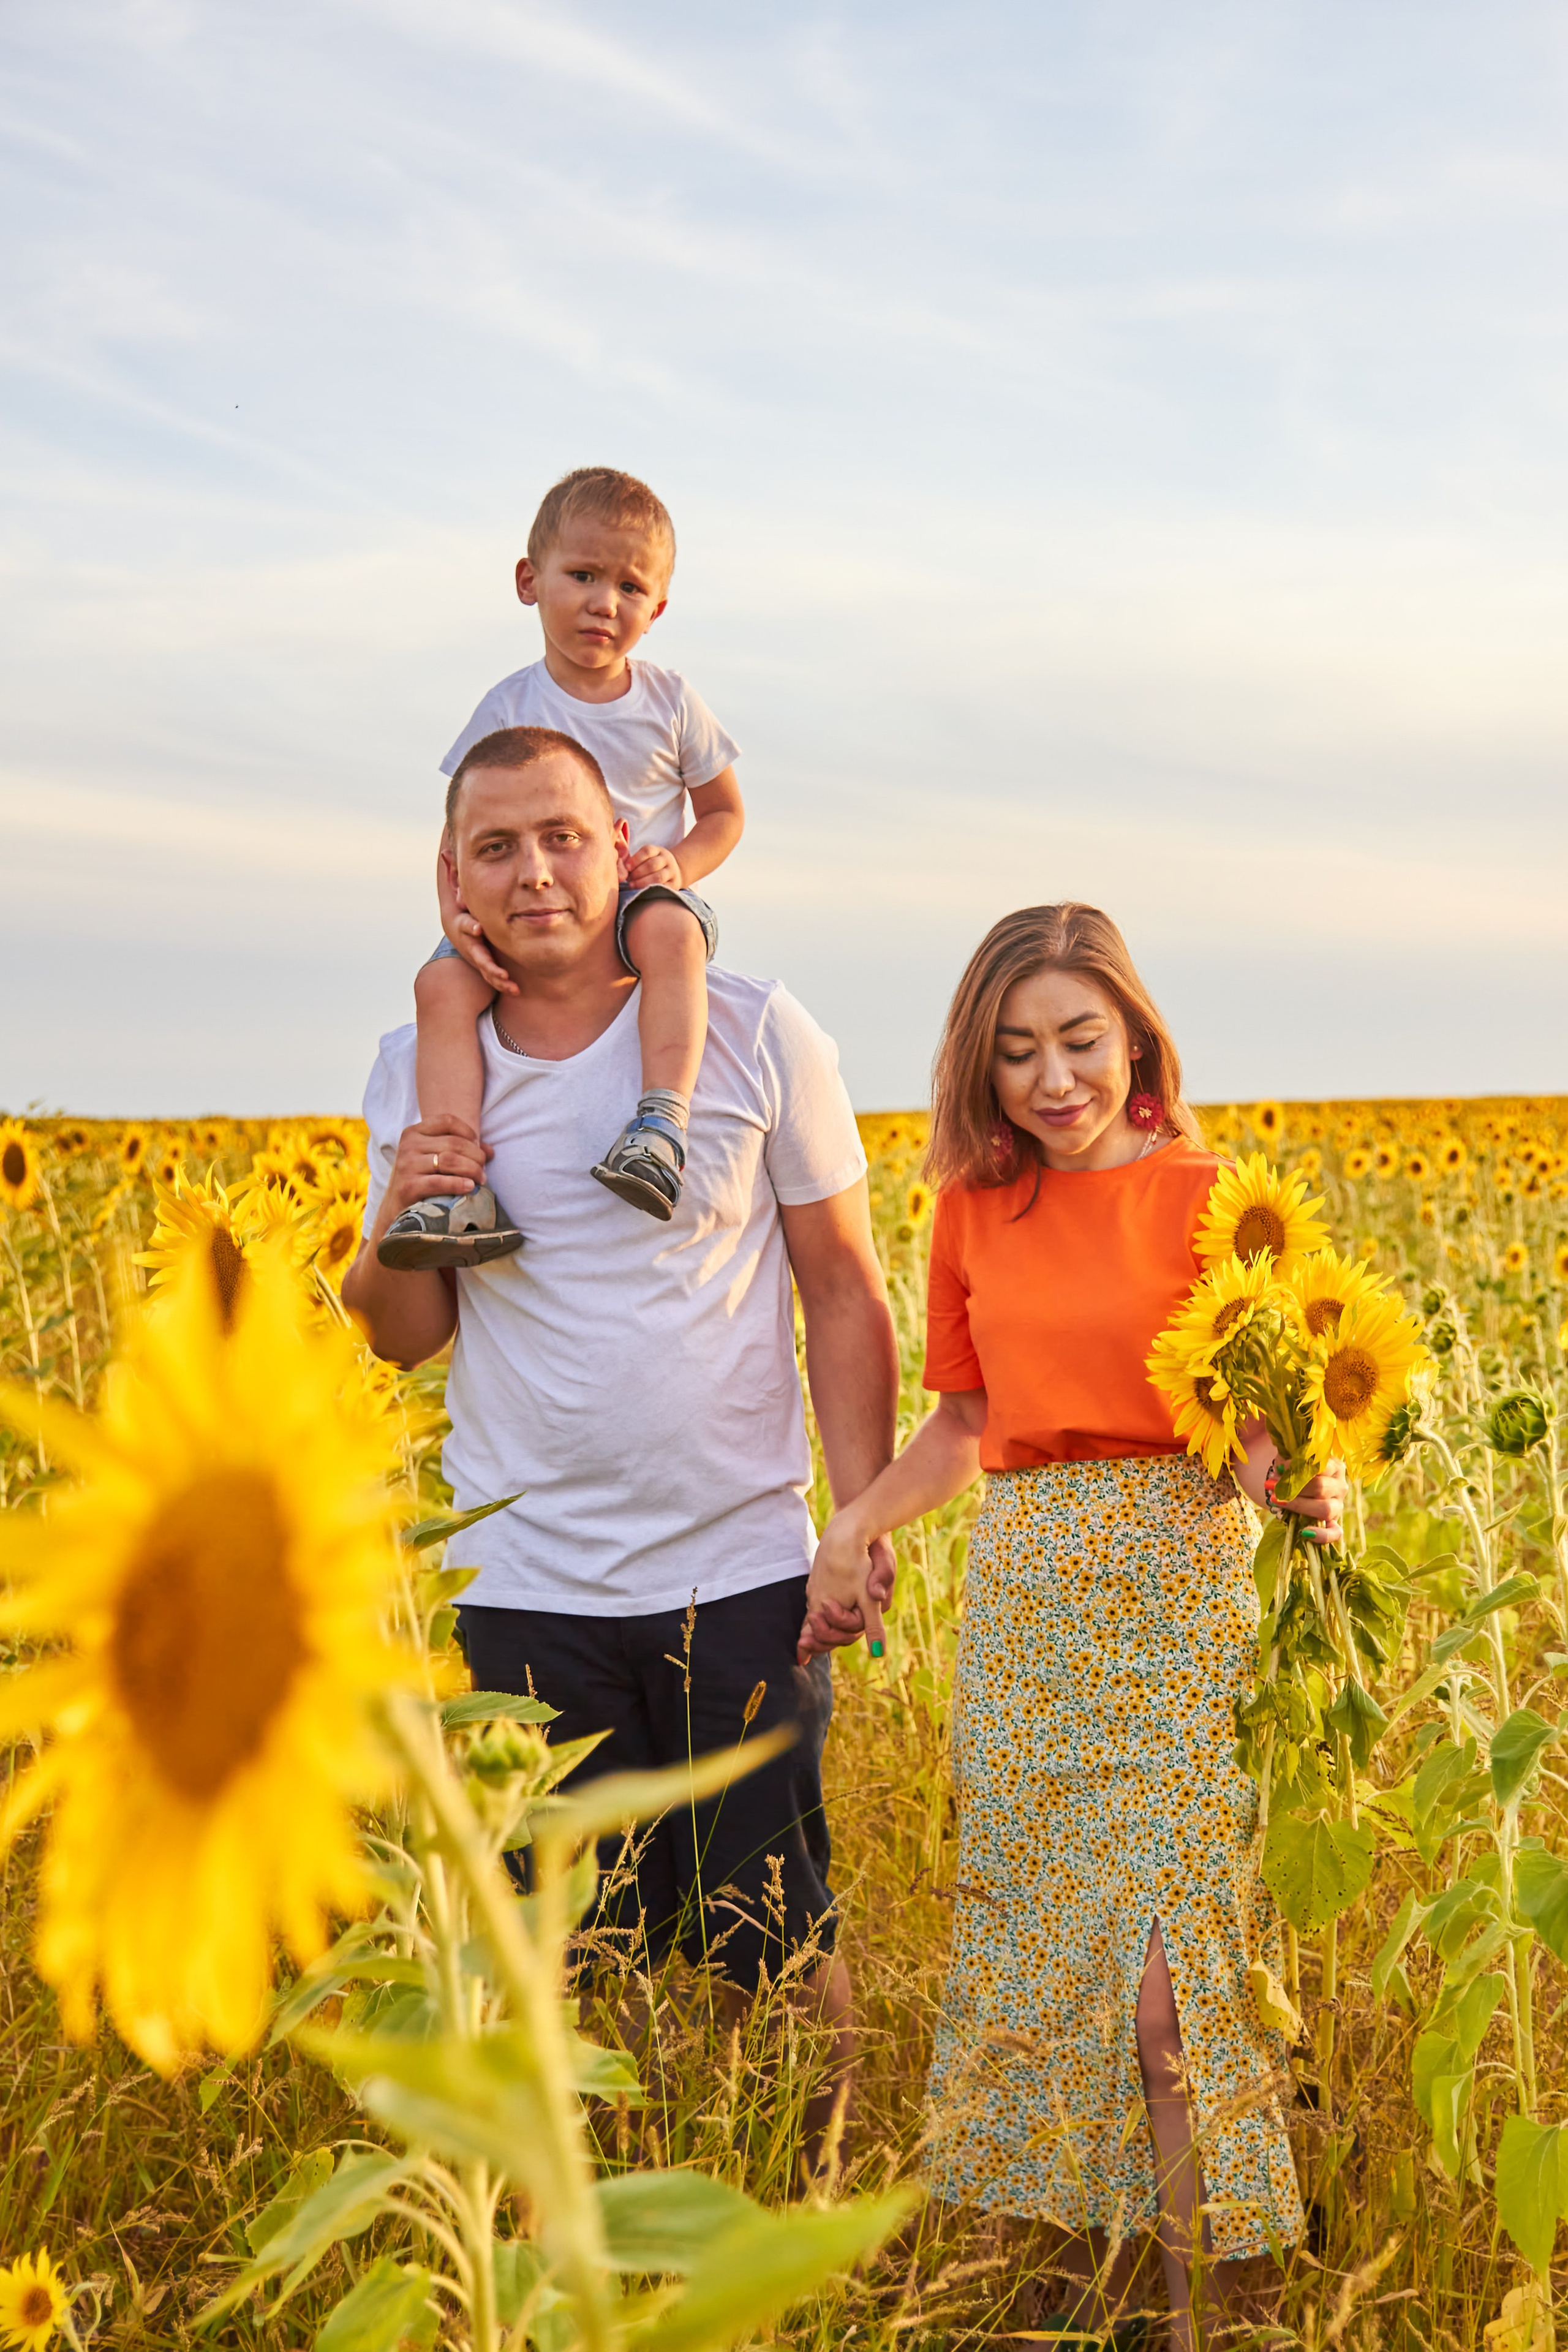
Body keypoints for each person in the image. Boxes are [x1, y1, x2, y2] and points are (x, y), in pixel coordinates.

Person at [342, 725, 899, 2128]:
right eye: (496, 847)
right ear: (450, 879)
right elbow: (403, 1335)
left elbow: (843, 1288)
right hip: (524, 1586)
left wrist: (859, 1519)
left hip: (740, 1574)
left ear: (619, 850)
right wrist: (403, 1206)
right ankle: (595, 2215)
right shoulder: (418, 1068)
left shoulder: (755, 1030)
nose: (533, 872)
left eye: (561, 837)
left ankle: (806, 2201)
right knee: (567, 1957)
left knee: (773, 1935)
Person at [802, 905, 1337, 2349]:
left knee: (1172, 2006)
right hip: (1029, 1610)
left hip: (1179, 1603)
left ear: (1135, 1039)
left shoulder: (1217, 1203)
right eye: (1017, 1051)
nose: (1053, 1080)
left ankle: (1212, 2318)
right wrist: (855, 1522)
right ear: (980, 1067)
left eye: (1080, 1042)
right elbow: (963, 1425)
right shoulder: (974, 1212)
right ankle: (1079, 2298)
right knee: (1044, 1982)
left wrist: (1297, 1480)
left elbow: (1264, 1431)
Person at [379, 466, 744, 1270]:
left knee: (672, 938)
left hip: (638, 896)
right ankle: (456, 1182)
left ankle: (660, 1125)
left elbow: (725, 814)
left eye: (630, 586)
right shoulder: (508, 707)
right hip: (524, 911)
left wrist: (678, 866)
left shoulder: (671, 702)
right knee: (440, 987)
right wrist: (454, 917)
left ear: (658, 608)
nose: (604, 602)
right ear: (529, 582)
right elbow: (458, 833)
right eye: (582, 576)